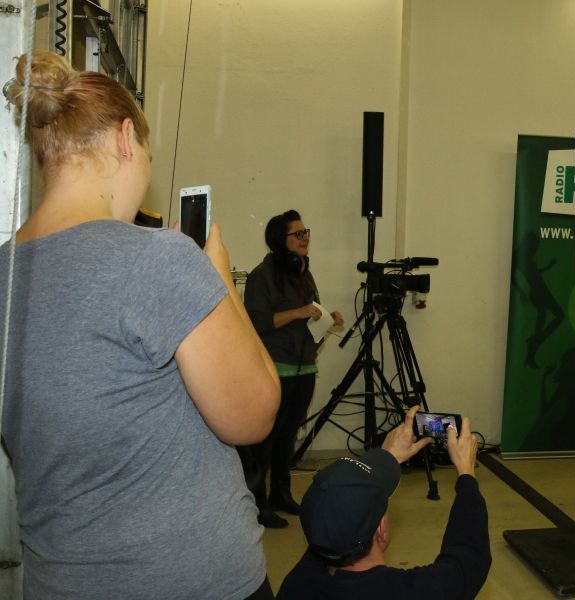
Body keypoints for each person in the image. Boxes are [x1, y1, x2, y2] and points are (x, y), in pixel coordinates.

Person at [0, 51, 281, 598]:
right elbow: (252, 416)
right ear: (126, 139)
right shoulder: (158, 258)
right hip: (190, 584)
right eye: (148, 154)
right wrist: (219, 282)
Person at [276, 406, 491, 599]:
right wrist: (466, 473)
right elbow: (470, 555)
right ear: (381, 529)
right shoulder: (414, 591)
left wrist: (387, 457)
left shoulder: (296, 585)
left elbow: (330, 521)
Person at [243, 210, 344, 528]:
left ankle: (281, 494)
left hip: (304, 368)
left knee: (287, 438)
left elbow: (311, 316)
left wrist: (327, 319)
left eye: (306, 232)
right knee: (265, 442)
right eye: (298, 234)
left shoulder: (303, 274)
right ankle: (258, 505)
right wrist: (297, 312)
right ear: (280, 240)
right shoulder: (261, 276)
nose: (305, 238)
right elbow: (256, 323)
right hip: (275, 370)